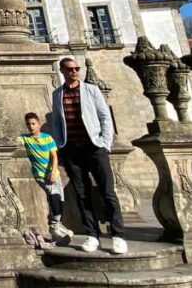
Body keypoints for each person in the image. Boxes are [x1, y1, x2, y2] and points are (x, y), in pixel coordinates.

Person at [50, 56, 127, 255]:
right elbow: (57, 122)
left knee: (107, 193)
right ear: (62, 71)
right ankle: (92, 235)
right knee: (82, 194)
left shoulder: (91, 90)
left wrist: (105, 144)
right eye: (70, 69)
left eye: (76, 68)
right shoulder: (57, 94)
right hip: (72, 151)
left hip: (95, 148)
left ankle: (118, 235)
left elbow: (104, 116)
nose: (74, 71)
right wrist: (60, 144)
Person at [19, 112, 72, 243]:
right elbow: (12, 142)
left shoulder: (47, 138)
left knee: (60, 199)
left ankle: (57, 225)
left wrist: (53, 171)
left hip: (53, 174)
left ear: (39, 124)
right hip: (41, 175)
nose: (31, 126)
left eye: (33, 124)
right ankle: (54, 227)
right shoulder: (25, 139)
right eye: (28, 124)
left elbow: (54, 156)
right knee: (54, 196)